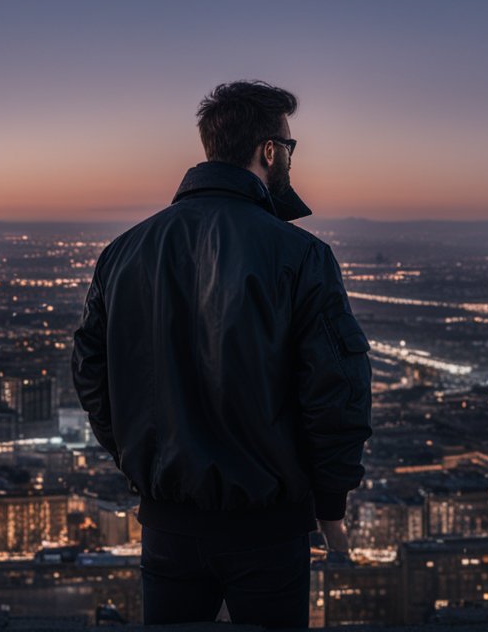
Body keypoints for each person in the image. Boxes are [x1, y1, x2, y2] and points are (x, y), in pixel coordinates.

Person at [71, 80, 373, 627]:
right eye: (289, 145)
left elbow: (91, 374)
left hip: (167, 523)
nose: (289, 156)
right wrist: (330, 504)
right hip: (268, 527)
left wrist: (140, 462)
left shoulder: (123, 252)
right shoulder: (300, 255)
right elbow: (337, 392)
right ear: (268, 150)